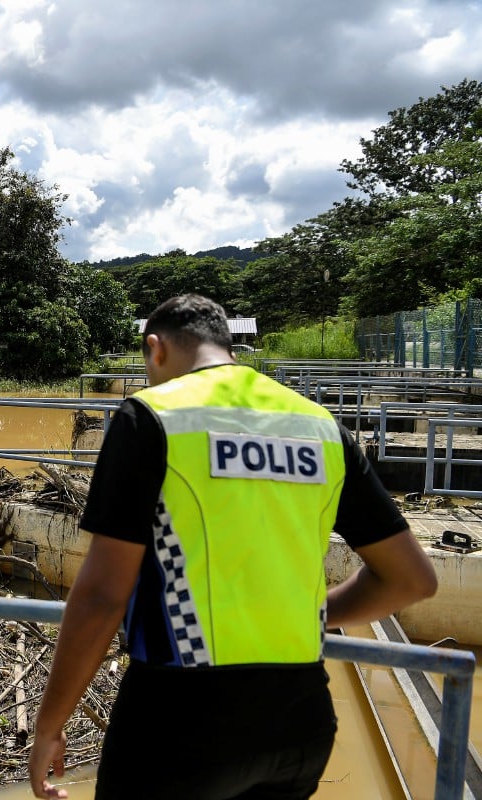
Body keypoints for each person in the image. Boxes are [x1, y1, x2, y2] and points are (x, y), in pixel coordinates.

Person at [29, 294, 437, 800]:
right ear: (229, 346)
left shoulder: (151, 417)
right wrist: (313, 615)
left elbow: (102, 595)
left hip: (179, 719)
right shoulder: (320, 426)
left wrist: (50, 723)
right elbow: (412, 579)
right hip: (300, 721)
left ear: (155, 350)